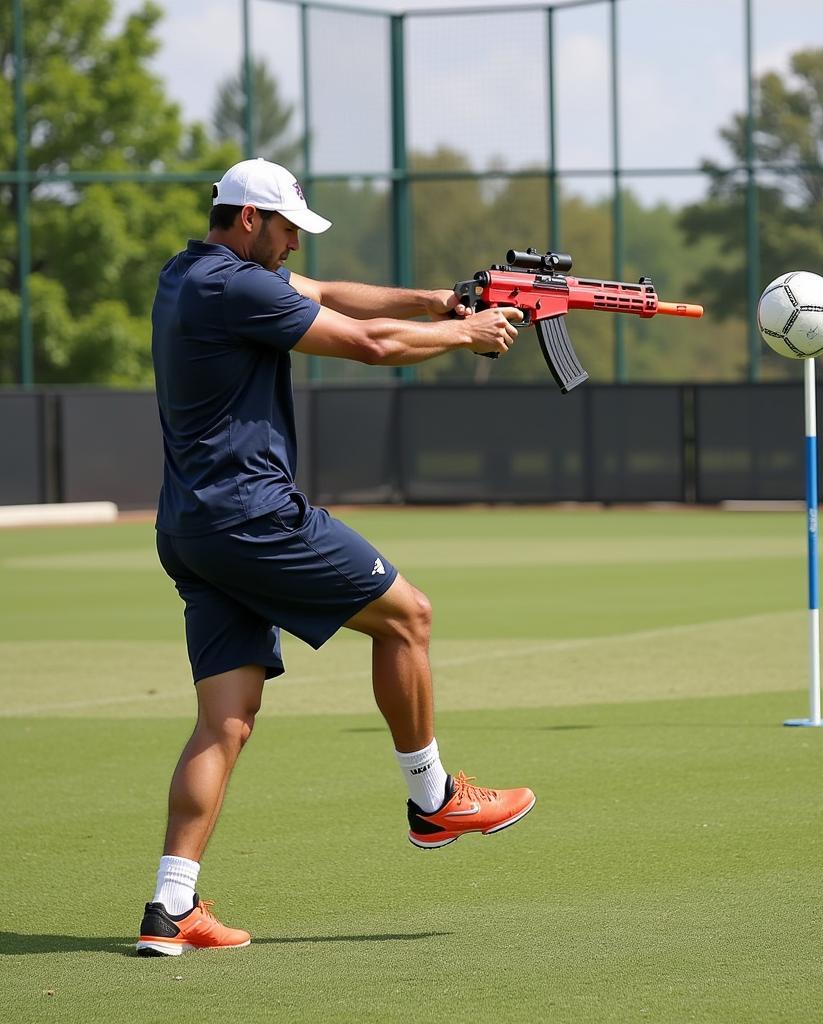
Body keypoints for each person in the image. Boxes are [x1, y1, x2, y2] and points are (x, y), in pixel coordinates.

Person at [136, 158, 534, 957]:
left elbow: (329, 293)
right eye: (286, 230)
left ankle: (170, 908)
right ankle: (434, 799)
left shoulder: (191, 274)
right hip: (253, 517)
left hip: (190, 529)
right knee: (408, 616)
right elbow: (368, 343)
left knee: (225, 722)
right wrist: (464, 332)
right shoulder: (240, 286)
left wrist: (437, 299)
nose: (292, 247)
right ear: (249, 219)